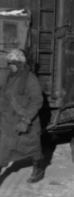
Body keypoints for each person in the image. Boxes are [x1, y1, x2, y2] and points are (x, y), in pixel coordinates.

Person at [0, 49, 45, 183]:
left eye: (13, 63)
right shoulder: (8, 76)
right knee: (3, 150)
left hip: (25, 121)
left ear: (20, 63)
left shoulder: (31, 79)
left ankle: (38, 170)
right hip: (8, 120)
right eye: (9, 63)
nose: (10, 66)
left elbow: (37, 101)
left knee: (33, 149)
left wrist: (26, 119)